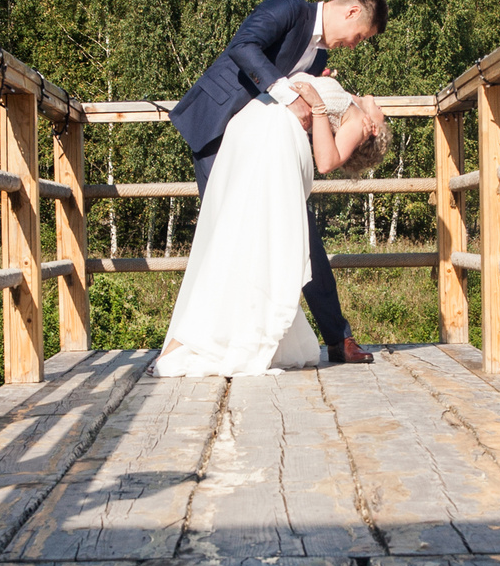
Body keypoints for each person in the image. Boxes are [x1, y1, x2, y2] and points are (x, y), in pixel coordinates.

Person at [168, 0, 390, 364]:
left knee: (303, 235)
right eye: (360, 37)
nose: (354, 45)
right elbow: (243, 46)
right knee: (226, 237)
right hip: (218, 130)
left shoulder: (319, 54)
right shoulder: (290, 7)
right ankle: (217, 341)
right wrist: (289, 92)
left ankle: (338, 337)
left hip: (264, 151)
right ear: (352, 12)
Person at [153, 72, 387, 378]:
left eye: (385, 116)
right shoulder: (350, 100)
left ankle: (189, 341)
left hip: (271, 137)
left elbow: (327, 161)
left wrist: (317, 106)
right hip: (257, 126)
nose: (383, 107)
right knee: (246, 238)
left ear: (374, 128)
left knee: (245, 238)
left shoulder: (358, 120)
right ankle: (197, 337)